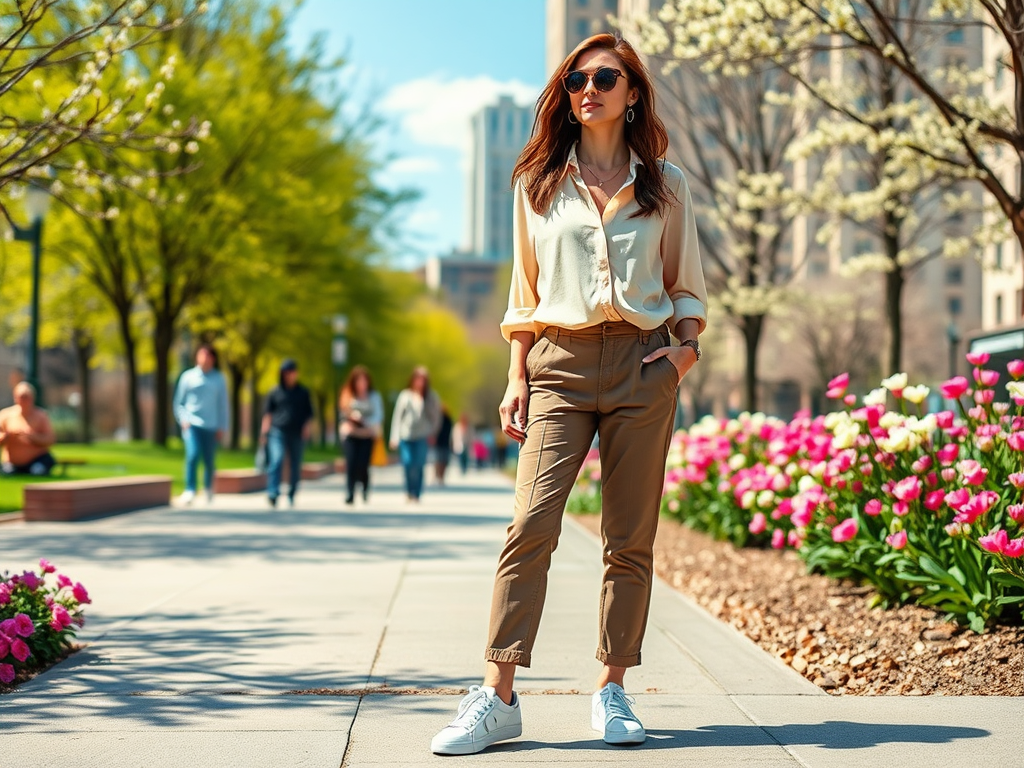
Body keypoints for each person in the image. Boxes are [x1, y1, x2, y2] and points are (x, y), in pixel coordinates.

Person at [430, 33, 707, 755]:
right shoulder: (537, 183)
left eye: (606, 77)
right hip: (558, 362)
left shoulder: (666, 183)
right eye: (577, 78)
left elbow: (686, 286)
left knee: (629, 540)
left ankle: (612, 690)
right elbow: (525, 295)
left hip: (644, 364)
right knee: (530, 526)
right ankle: (497, 696)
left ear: (632, 92)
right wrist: (515, 376)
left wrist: (681, 356)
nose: (589, 87)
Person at [173, 344, 229, 505]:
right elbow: (179, 402)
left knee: (209, 460)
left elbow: (223, 405)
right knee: (193, 454)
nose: (204, 358)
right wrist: (183, 420)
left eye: (208, 355)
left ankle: (208, 487)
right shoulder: (187, 377)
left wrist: (222, 426)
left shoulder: (219, 379)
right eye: (202, 354)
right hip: (192, 425)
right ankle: (190, 489)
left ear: (213, 358)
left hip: (211, 426)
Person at [261, 359, 314, 509]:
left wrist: (306, 428)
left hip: (296, 432)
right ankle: (273, 492)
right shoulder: (275, 391)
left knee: (295, 463)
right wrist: (264, 431)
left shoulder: (303, 392)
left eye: (292, 372)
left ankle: (292, 492)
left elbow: (309, 414)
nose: (289, 375)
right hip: (277, 430)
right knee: (276, 460)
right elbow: (268, 413)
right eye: (286, 372)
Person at [388, 366, 441, 503]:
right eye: (418, 379)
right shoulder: (405, 395)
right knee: (407, 463)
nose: (420, 382)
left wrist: (433, 433)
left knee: (419, 464)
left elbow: (436, 417)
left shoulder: (431, 397)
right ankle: (409, 490)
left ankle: (416, 493)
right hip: (406, 435)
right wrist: (394, 437)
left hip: (423, 436)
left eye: (423, 380)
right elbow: (398, 417)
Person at [339, 365, 384, 505]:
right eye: (359, 381)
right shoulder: (347, 395)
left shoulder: (374, 397)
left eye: (364, 381)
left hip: (367, 434)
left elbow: (378, 415)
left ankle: (364, 487)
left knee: (363, 464)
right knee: (351, 463)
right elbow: (342, 413)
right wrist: (350, 418)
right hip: (351, 434)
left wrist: (363, 420)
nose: (362, 384)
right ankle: (350, 492)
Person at [0, 382, 56, 476]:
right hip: (12, 462)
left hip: (36, 460)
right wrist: (6, 436)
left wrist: (32, 437)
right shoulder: (5, 415)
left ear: (32, 398)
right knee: (8, 472)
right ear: (15, 397)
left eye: (27, 397)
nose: (24, 400)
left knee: (37, 470)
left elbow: (50, 439)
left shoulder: (41, 415)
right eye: (21, 397)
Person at [434, 406, 453, 486]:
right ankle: (438, 476)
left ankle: (441, 476)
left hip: (445, 443)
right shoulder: (437, 420)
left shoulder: (448, 420)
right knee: (439, 460)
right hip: (439, 443)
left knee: (444, 461)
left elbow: (451, 433)